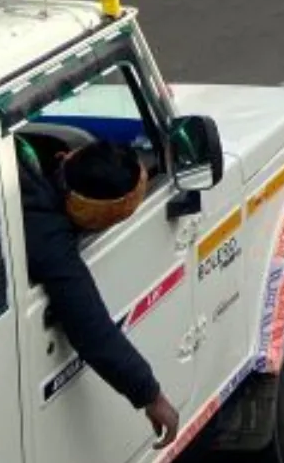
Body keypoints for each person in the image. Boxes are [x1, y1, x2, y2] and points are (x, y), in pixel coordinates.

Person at [16, 136, 182, 447]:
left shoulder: (25, 151)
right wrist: (151, 396)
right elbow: (93, 329)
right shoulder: (47, 235)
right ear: (91, 216)